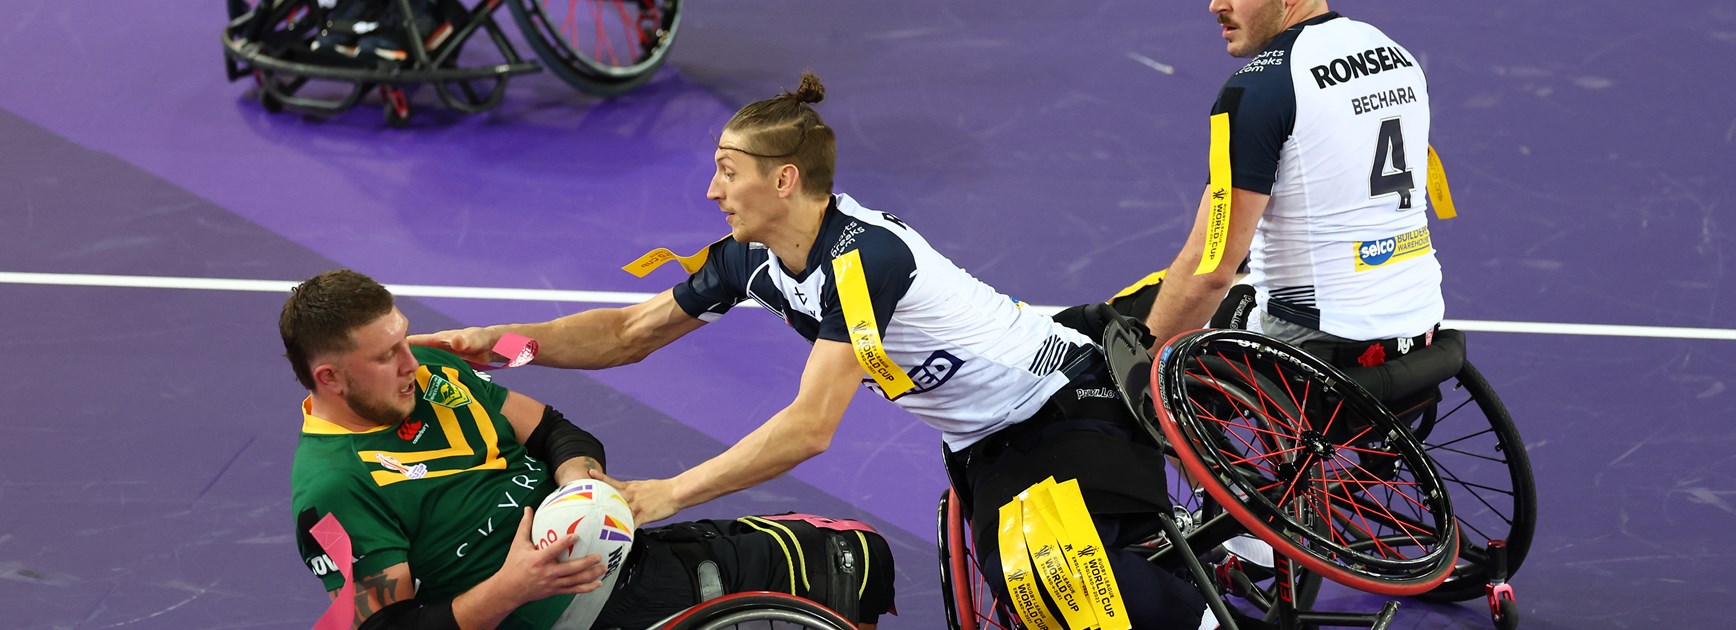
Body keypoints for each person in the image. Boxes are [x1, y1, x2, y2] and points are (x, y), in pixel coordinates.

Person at [411, 72, 1215, 628]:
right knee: (1030, 595)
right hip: (984, 439)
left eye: (727, 172)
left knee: (1069, 588)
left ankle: (1216, 614)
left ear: (785, 180)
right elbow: (629, 334)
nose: (712, 190)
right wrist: (502, 347)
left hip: (1063, 404)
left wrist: (669, 493)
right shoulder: (752, 260)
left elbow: (809, 428)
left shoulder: (863, 260)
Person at [283, 269, 893, 630]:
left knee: (857, 552)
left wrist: (581, 482)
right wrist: (513, 586)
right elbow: (390, 627)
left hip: (618, 550)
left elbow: (557, 431)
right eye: (386, 355)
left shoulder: (431, 370)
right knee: (843, 566)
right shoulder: (331, 489)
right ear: (330, 377)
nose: (410, 361)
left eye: (403, 339)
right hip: (574, 614)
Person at [1141, 0, 1443, 357]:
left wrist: (1140, 370)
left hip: (1318, 336)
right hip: (1420, 321)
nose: (1215, 6)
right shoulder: (1399, 57)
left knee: (1138, 314)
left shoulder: (1260, 88)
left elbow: (1211, 270)